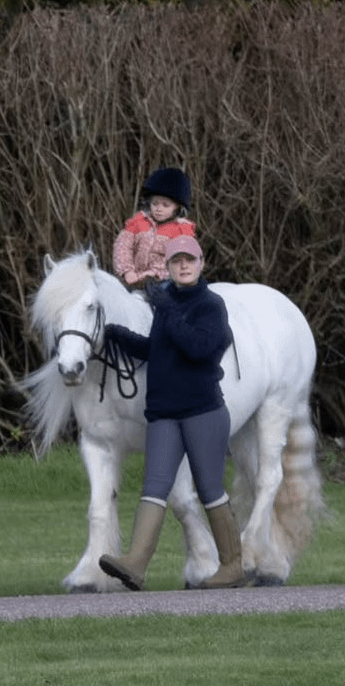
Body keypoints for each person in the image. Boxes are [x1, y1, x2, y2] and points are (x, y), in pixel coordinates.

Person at [99, 234, 245, 591]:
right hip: (164, 412)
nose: (183, 266)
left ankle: (232, 566)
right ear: (168, 265)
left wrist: (165, 308)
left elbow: (197, 348)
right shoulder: (167, 305)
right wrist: (119, 337)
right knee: (154, 486)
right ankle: (134, 564)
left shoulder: (210, 305)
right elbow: (157, 350)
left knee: (209, 487)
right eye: (176, 260)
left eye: (189, 260)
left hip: (203, 412)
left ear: (200, 264)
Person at [113, 167, 196, 289]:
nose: (159, 208)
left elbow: (177, 260)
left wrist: (149, 275)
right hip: (132, 278)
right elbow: (123, 247)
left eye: (165, 205)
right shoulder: (137, 223)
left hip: (164, 281)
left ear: (177, 208)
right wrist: (127, 271)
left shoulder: (181, 231)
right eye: (155, 203)